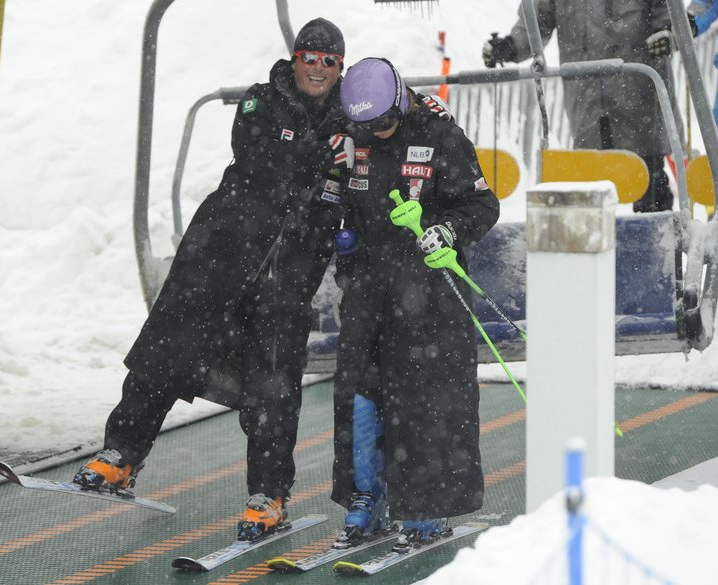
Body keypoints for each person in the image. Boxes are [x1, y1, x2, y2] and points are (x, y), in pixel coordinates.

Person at [71, 18, 354, 541]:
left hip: (287, 274)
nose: (317, 68)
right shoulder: (260, 100)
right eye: (308, 57)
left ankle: (268, 496)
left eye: (328, 60)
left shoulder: (353, 118)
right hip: (220, 255)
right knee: (165, 352)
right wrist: (318, 158)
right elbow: (258, 157)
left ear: (341, 68)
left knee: (274, 385)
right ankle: (122, 454)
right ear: (294, 59)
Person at [330, 58, 499, 551]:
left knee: (427, 400)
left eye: (383, 122)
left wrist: (447, 229)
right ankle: (368, 497)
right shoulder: (350, 135)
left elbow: (483, 206)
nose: (376, 133)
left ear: (400, 101)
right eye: (366, 125)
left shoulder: (440, 134)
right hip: (368, 288)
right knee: (361, 395)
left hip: (429, 289)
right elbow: (334, 196)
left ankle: (428, 507)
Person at [482, 0, 676, 213]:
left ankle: (656, 237)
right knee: (589, 180)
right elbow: (536, 21)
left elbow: (669, 15)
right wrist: (510, 46)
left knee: (648, 176)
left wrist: (668, 34)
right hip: (587, 94)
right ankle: (591, 240)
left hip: (636, 89)